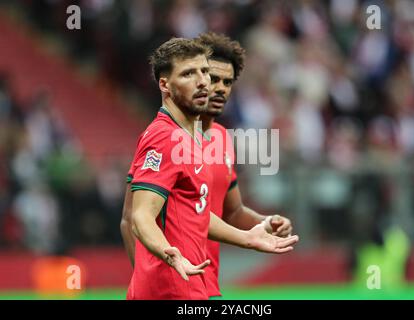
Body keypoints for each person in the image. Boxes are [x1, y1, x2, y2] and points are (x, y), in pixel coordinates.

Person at [122, 37, 298, 300]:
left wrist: (252, 234)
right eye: (192, 74)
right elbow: (137, 217)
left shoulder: (205, 139)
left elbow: (200, 211)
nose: (209, 84)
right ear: (165, 84)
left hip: (198, 281)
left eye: (208, 73)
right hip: (171, 284)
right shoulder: (163, 137)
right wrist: (160, 265)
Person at [197, 32, 293, 298]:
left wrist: (265, 222)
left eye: (227, 82)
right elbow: (132, 220)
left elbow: (232, 210)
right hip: (169, 288)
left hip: (208, 285)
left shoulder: (222, 139)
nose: (220, 88)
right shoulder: (169, 137)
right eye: (212, 79)